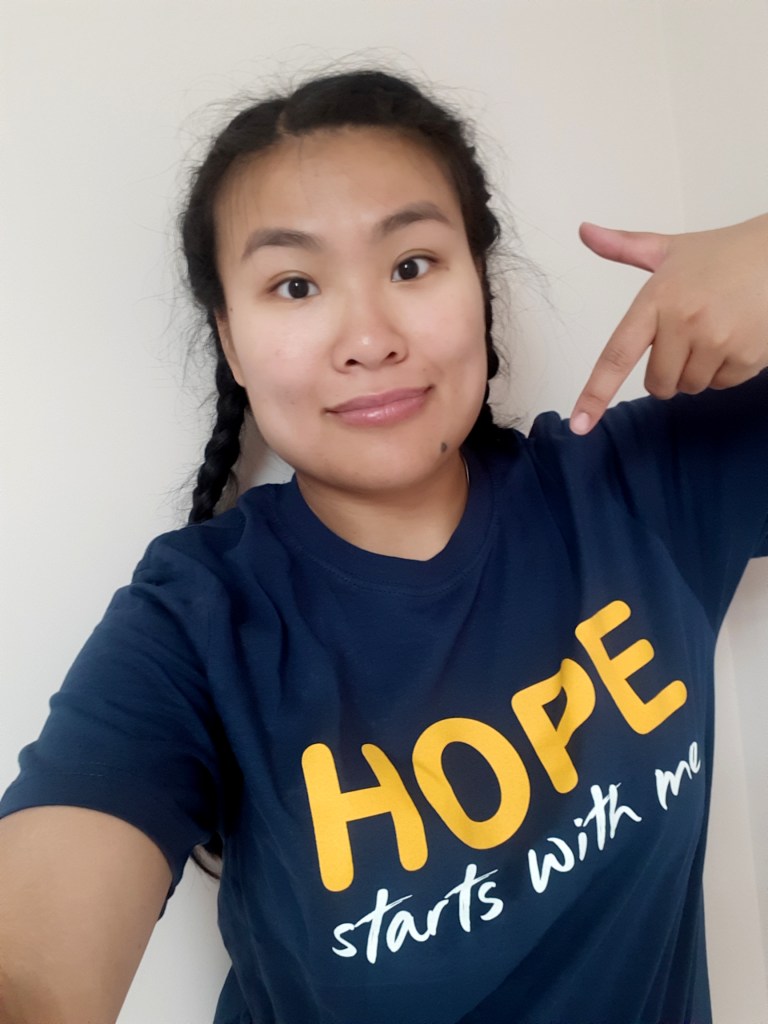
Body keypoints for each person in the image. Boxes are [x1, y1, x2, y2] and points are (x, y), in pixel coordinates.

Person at [0, 68, 766, 1024]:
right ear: (232, 343)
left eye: (411, 265)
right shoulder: (195, 624)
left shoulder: (638, 488)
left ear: (478, 285)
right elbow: (34, 964)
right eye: (295, 285)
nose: (368, 338)